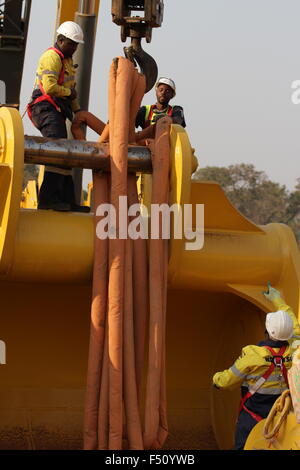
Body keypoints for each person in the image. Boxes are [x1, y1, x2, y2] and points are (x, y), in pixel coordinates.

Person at [212, 283, 300, 450]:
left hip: (253, 416)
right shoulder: (295, 347)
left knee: (242, 445)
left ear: (266, 330)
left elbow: (228, 379)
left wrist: (216, 380)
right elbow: (294, 327)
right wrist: (278, 300)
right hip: (281, 414)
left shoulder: (253, 355)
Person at [27, 21, 89, 212]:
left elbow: (72, 90)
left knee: (66, 149)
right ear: (60, 40)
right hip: (44, 107)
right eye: (72, 43)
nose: (75, 47)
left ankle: (67, 199)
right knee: (58, 146)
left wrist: (78, 111)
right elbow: (51, 87)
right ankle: (47, 199)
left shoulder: (68, 61)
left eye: (76, 44)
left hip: (55, 108)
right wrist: (70, 95)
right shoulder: (51, 57)